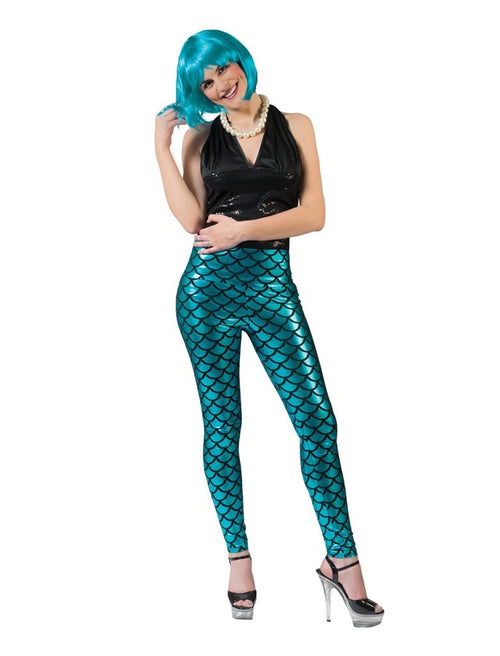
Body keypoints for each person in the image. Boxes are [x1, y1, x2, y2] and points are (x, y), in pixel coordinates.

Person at [154, 29, 384, 626]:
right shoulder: (200, 139)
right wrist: (160, 147)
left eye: (222, 70)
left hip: (272, 291)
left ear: (241, 61)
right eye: (205, 82)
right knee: (222, 427)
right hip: (205, 296)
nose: (219, 85)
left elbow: (314, 214)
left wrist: (242, 231)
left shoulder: (296, 126)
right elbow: (192, 219)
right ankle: (239, 563)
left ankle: (342, 562)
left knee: (317, 422)